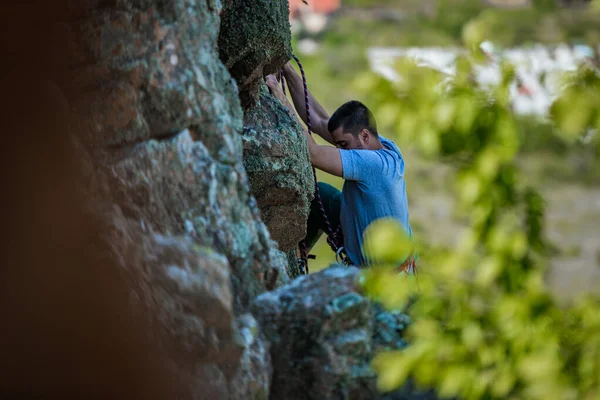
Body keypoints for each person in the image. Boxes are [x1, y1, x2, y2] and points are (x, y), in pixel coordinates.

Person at [265, 62, 414, 272]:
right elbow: (317, 120)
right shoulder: (384, 146)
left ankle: (295, 265)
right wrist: (288, 70)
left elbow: (313, 154)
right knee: (321, 195)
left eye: (344, 145)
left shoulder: (374, 166)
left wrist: (280, 98)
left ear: (364, 135)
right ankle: (298, 254)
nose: (341, 149)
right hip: (370, 235)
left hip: (383, 277)